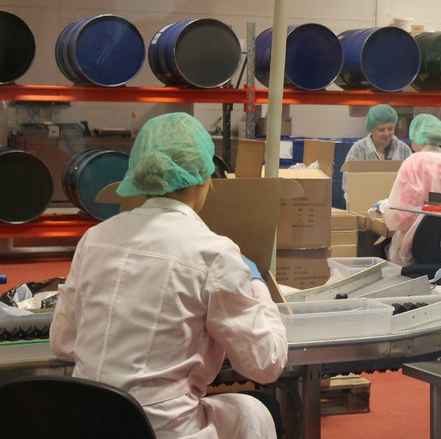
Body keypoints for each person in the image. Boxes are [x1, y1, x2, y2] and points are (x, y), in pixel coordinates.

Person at [50, 112, 288, 439]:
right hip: (160, 428)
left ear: (139, 173)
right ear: (204, 177)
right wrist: (257, 285)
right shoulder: (213, 253)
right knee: (255, 410)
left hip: (88, 422)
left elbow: (63, 343)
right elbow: (266, 363)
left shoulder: (95, 239)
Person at [375, 114, 441, 267]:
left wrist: (383, 208)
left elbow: (400, 216)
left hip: (419, 246)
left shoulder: (414, 162)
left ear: (418, 137)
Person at [342, 103, 412, 203]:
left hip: (395, 205)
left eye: (390, 128)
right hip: (363, 204)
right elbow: (348, 185)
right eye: (381, 130)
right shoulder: (358, 150)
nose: (387, 133)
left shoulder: (403, 150)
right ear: (372, 129)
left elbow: (411, 181)